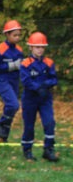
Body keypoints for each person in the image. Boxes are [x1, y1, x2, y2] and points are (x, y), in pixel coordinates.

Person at [20, 32, 59, 162]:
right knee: (29, 125)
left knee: (49, 122)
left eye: (42, 47)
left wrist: (44, 85)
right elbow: (26, 81)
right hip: (30, 99)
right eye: (37, 47)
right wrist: (38, 87)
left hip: (45, 99)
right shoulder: (25, 63)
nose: (40, 50)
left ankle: (48, 149)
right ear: (31, 47)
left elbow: (53, 79)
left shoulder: (49, 62)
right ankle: (27, 150)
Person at [0, 20, 24, 142]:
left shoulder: (19, 50)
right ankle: (0, 124)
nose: (17, 38)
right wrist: (11, 66)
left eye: (19, 35)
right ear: (7, 35)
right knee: (13, 105)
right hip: (3, 80)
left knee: (11, 108)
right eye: (15, 35)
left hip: (15, 80)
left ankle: (2, 136)